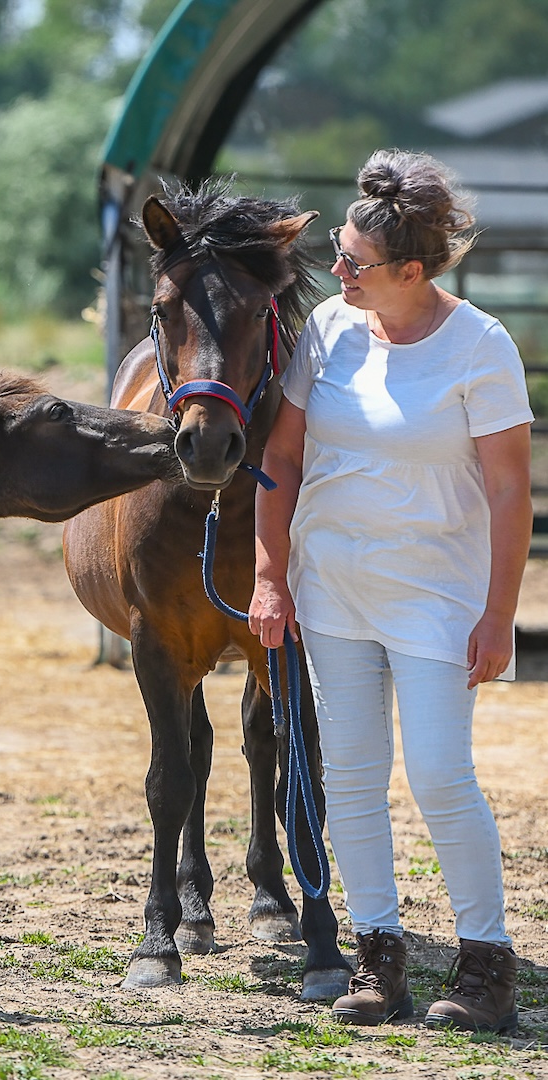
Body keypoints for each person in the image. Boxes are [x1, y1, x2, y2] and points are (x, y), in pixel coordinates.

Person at [248, 149, 533, 1033]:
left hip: (437, 600)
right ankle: (379, 958)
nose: (335, 273)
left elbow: (507, 491)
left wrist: (498, 614)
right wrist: (268, 573)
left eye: (353, 263)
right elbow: (281, 456)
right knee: (353, 778)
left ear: (411, 271)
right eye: (337, 254)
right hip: (331, 588)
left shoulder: (480, 346)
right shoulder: (329, 326)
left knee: (442, 776)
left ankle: (485, 968)